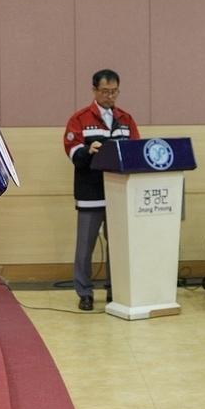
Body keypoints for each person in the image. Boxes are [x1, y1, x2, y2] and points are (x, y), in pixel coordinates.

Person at [62, 69, 139, 311]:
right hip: (90, 193)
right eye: (105, 91)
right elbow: (73, 153)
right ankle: (85, 293)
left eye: (114, 92)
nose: (110, 96)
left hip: (119, 193)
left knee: (118, 245)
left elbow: (136, 151)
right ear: (94, 90)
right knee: (85, 247)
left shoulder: (125, 119)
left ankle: (115, 290)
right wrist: (89, 150)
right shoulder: (80, 118)